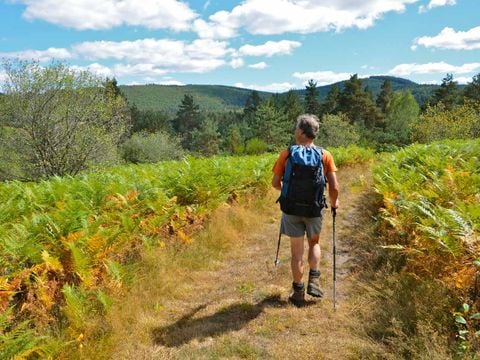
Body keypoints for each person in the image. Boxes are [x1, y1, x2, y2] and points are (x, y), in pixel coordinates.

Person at [272, 114, 339, 307]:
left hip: (291, 208)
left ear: (302, 132)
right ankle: (314, 281)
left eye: (296, 128)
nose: (294, 131)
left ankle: (298, 292)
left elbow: (275, 183)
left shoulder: (287, 154)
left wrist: (288, 189)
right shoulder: (325, 155)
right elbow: (334, 187)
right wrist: (334, 203)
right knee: (314, 243)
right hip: (314, 208)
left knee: (296, 252)